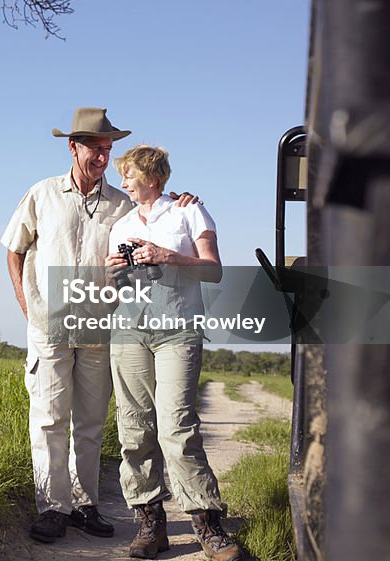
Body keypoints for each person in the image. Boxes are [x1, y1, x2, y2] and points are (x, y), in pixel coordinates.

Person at [1, 108, 196, 545]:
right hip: (49, 326)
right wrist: (26, 306)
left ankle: (84, 503)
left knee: (90, 422)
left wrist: (182, 200)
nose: (103, 158)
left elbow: (156, 215)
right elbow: (14, 251)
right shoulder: (42, 193)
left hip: (101, 328)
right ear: (73, 146)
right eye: (96, 148)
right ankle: (53, 508)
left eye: (109, 150)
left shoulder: (123, 203)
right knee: (50, 419)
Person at [105, 145, 242, 561]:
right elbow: (114, 290)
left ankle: (207, 522)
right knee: (133, 428)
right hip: (129, 330)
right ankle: (151, 523)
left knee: (176, 428)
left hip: (177, 331)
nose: (123, 181)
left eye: (128, 174)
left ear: (151, 176)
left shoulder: (190, 212)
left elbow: (213, 269)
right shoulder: (122, 224)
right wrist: (113, 272)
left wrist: (169, 256)